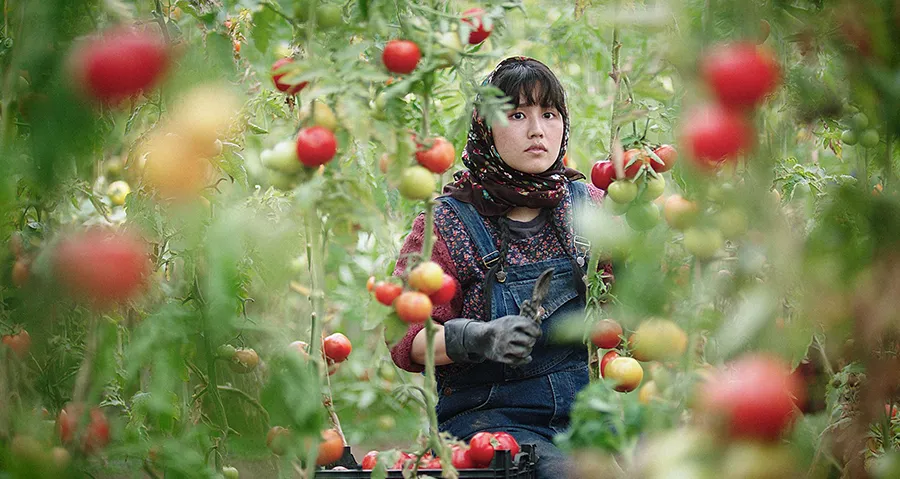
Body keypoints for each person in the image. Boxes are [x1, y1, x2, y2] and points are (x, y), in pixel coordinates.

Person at [389, 56, 612, 479]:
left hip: (587, 420)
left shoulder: (589, 207)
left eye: (549, 114)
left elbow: (631, 308)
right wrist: (477, 336)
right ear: (485, 128)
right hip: (489, 425)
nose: (537, 130)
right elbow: (405, 340)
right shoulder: (448, 223)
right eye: (516, 114)